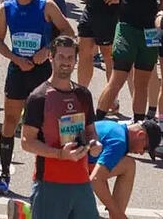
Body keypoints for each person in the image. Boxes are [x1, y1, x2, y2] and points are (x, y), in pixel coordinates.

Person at [0, 0, 75, 196]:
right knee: (10, 120)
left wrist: (47, 50)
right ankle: (4, 174)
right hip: (18, 71)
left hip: (41, 72)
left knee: (45, 125)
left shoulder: (46, 6)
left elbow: (69, 32)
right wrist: (15, 58)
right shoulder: (6, 8)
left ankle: (46, 176)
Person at [19, 34, 100, 219]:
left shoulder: (83, 94)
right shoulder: (39, 97)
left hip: (81, 184)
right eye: (61, 57)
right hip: (50, 183)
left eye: (70, 57)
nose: (66, 62)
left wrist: (95, 144)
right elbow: (26, 142)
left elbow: (90, 132)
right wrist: (60, 155)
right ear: (51, 58)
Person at [85, 116, 163, 219]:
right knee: (129, 165)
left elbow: (100, 167)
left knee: (128, 163)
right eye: (145, 149)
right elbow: (96, 179)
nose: (140, 153)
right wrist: (118, 214)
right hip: (72, 171)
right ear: (141, 135)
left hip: (77, 163)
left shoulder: (117, 129)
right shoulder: (119, 142)